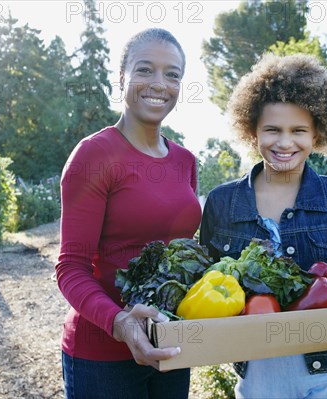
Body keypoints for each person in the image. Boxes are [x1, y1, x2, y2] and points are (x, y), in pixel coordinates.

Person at [199, 54, 327, 399]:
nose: (285, 143)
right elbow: (205, 285)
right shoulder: (221, 203)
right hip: (259, 372)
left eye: (298, 131)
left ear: (317, 133)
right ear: (252, 130)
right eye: (272, 129)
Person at [54, 28, 201, 399]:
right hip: (102, 356)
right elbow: (70, 267)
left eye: (173, 74)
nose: (159, 84)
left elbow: (182, 253)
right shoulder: (94, 155)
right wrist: (119, 322)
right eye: (145, 70)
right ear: (121, 78)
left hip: (169, 345)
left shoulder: (185, 161)